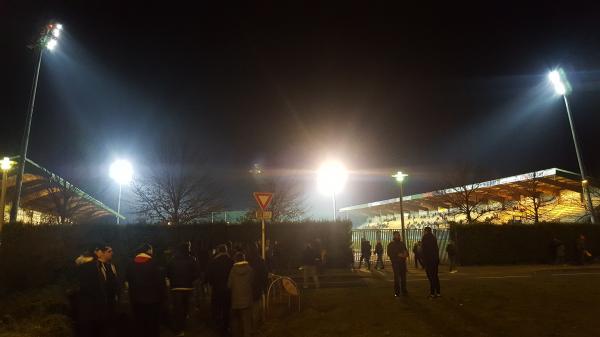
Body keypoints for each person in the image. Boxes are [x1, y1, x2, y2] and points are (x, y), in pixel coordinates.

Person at [126, 243, 166, 337]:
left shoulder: (130, 264)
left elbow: (128, 282)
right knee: (152, 325)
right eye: (151, 250)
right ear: (148, 251)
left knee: (140, 324)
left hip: (136, 300)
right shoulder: (154, 263)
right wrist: (162, 297)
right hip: (153, 300)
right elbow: (160, 283)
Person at [167, 241, 200, 337]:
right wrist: (191, 279)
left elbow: (168, 272)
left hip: (176, 288)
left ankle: (179, 329)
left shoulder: (172, 260)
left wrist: (173, 279)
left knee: (177, 309)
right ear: (187, 249)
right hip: (188, 287)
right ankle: (186, 325)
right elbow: (197, 273)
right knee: (186, 308)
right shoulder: (192, 259)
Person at [75, 248, 108, 337]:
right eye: (101, 250)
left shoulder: (82, 265)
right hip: (93, 301)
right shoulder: (92, 266)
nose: (102, 252)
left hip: (85, 301)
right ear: (95, 252)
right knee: (94, 327)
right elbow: (96, 284)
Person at [206, 244, 233, 336]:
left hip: (216, 289)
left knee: (217, 308)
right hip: (227, 290)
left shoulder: (214, 261)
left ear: (218, 251)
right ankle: (225, 327)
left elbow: (209, 275)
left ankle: (218, 326)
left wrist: (211, 283)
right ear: (226, 251)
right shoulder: (231, 261)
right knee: (226, 309)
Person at [228, 252, 254, 337]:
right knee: (246, 322)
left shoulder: (233, 270)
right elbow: (252, 282)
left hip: (236, 300)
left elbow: (229, 285)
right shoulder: (249, 269)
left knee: (236, 321)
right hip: (247, 299)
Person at [95, 245, 120, 337]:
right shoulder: (96, 266)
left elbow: (115, 281)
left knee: (112, 320)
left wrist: (117, 294)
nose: (112, 253)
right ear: (102, 253)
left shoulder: (111, 265)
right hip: (102, 300)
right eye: (109, 251)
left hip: (111, 299)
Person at [245, 243, 268, 331]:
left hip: (248, 287)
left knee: (249, 308)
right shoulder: (260, 260)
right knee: (256, 306)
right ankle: (255, 326)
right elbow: (264, 274)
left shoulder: (246, 260)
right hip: (257, 286)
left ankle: (250, 327)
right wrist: (264, 286)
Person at [387, 231, 408, 297]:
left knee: (403, 277)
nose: (398, 236)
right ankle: (397, 291)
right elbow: (389, 253)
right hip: (395, 263)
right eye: (397, 235)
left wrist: (405, 254)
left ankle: (404, 290)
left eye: (399, 235)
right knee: (396, 277)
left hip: (402, 263)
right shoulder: (391, 244)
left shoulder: (402, 243)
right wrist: (398, 254)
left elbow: (406, 252)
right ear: (394, 236)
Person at [421, 227, 441, 298]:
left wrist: (423, 261)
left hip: (428, 261)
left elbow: (424, 250)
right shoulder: (433, 238)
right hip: (435, 260)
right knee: (435, 276)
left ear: (426, 231)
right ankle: (438, 292)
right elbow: (436, 249)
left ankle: (432, 293)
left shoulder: (425, 238)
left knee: (430, 276)